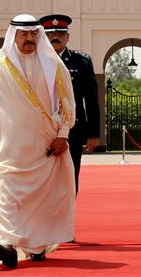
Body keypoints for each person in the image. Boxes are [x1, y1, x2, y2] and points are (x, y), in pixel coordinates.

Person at [0, 14, 76, 268]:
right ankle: (4, 243)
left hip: (44, 146)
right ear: (14, 36)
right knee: (6, 194)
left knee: (41, 199)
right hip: (10, 148)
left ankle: (37, 244)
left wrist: (63, 135)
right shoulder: (2, 65)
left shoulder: (54, 64)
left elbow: (66, 104)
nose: (30, 39)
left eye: (34, 34)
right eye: (24, 35)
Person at [39, 14, 100, 195]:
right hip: (41, 129)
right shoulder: (34, 61)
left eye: (60, 32)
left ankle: (66, 216)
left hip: (72, 129)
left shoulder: (81, 61)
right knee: (42, 176)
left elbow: (91, 99)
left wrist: (93, 133)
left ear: (68, 37)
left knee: (69, 175)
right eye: (50, 33)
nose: (55, 36)